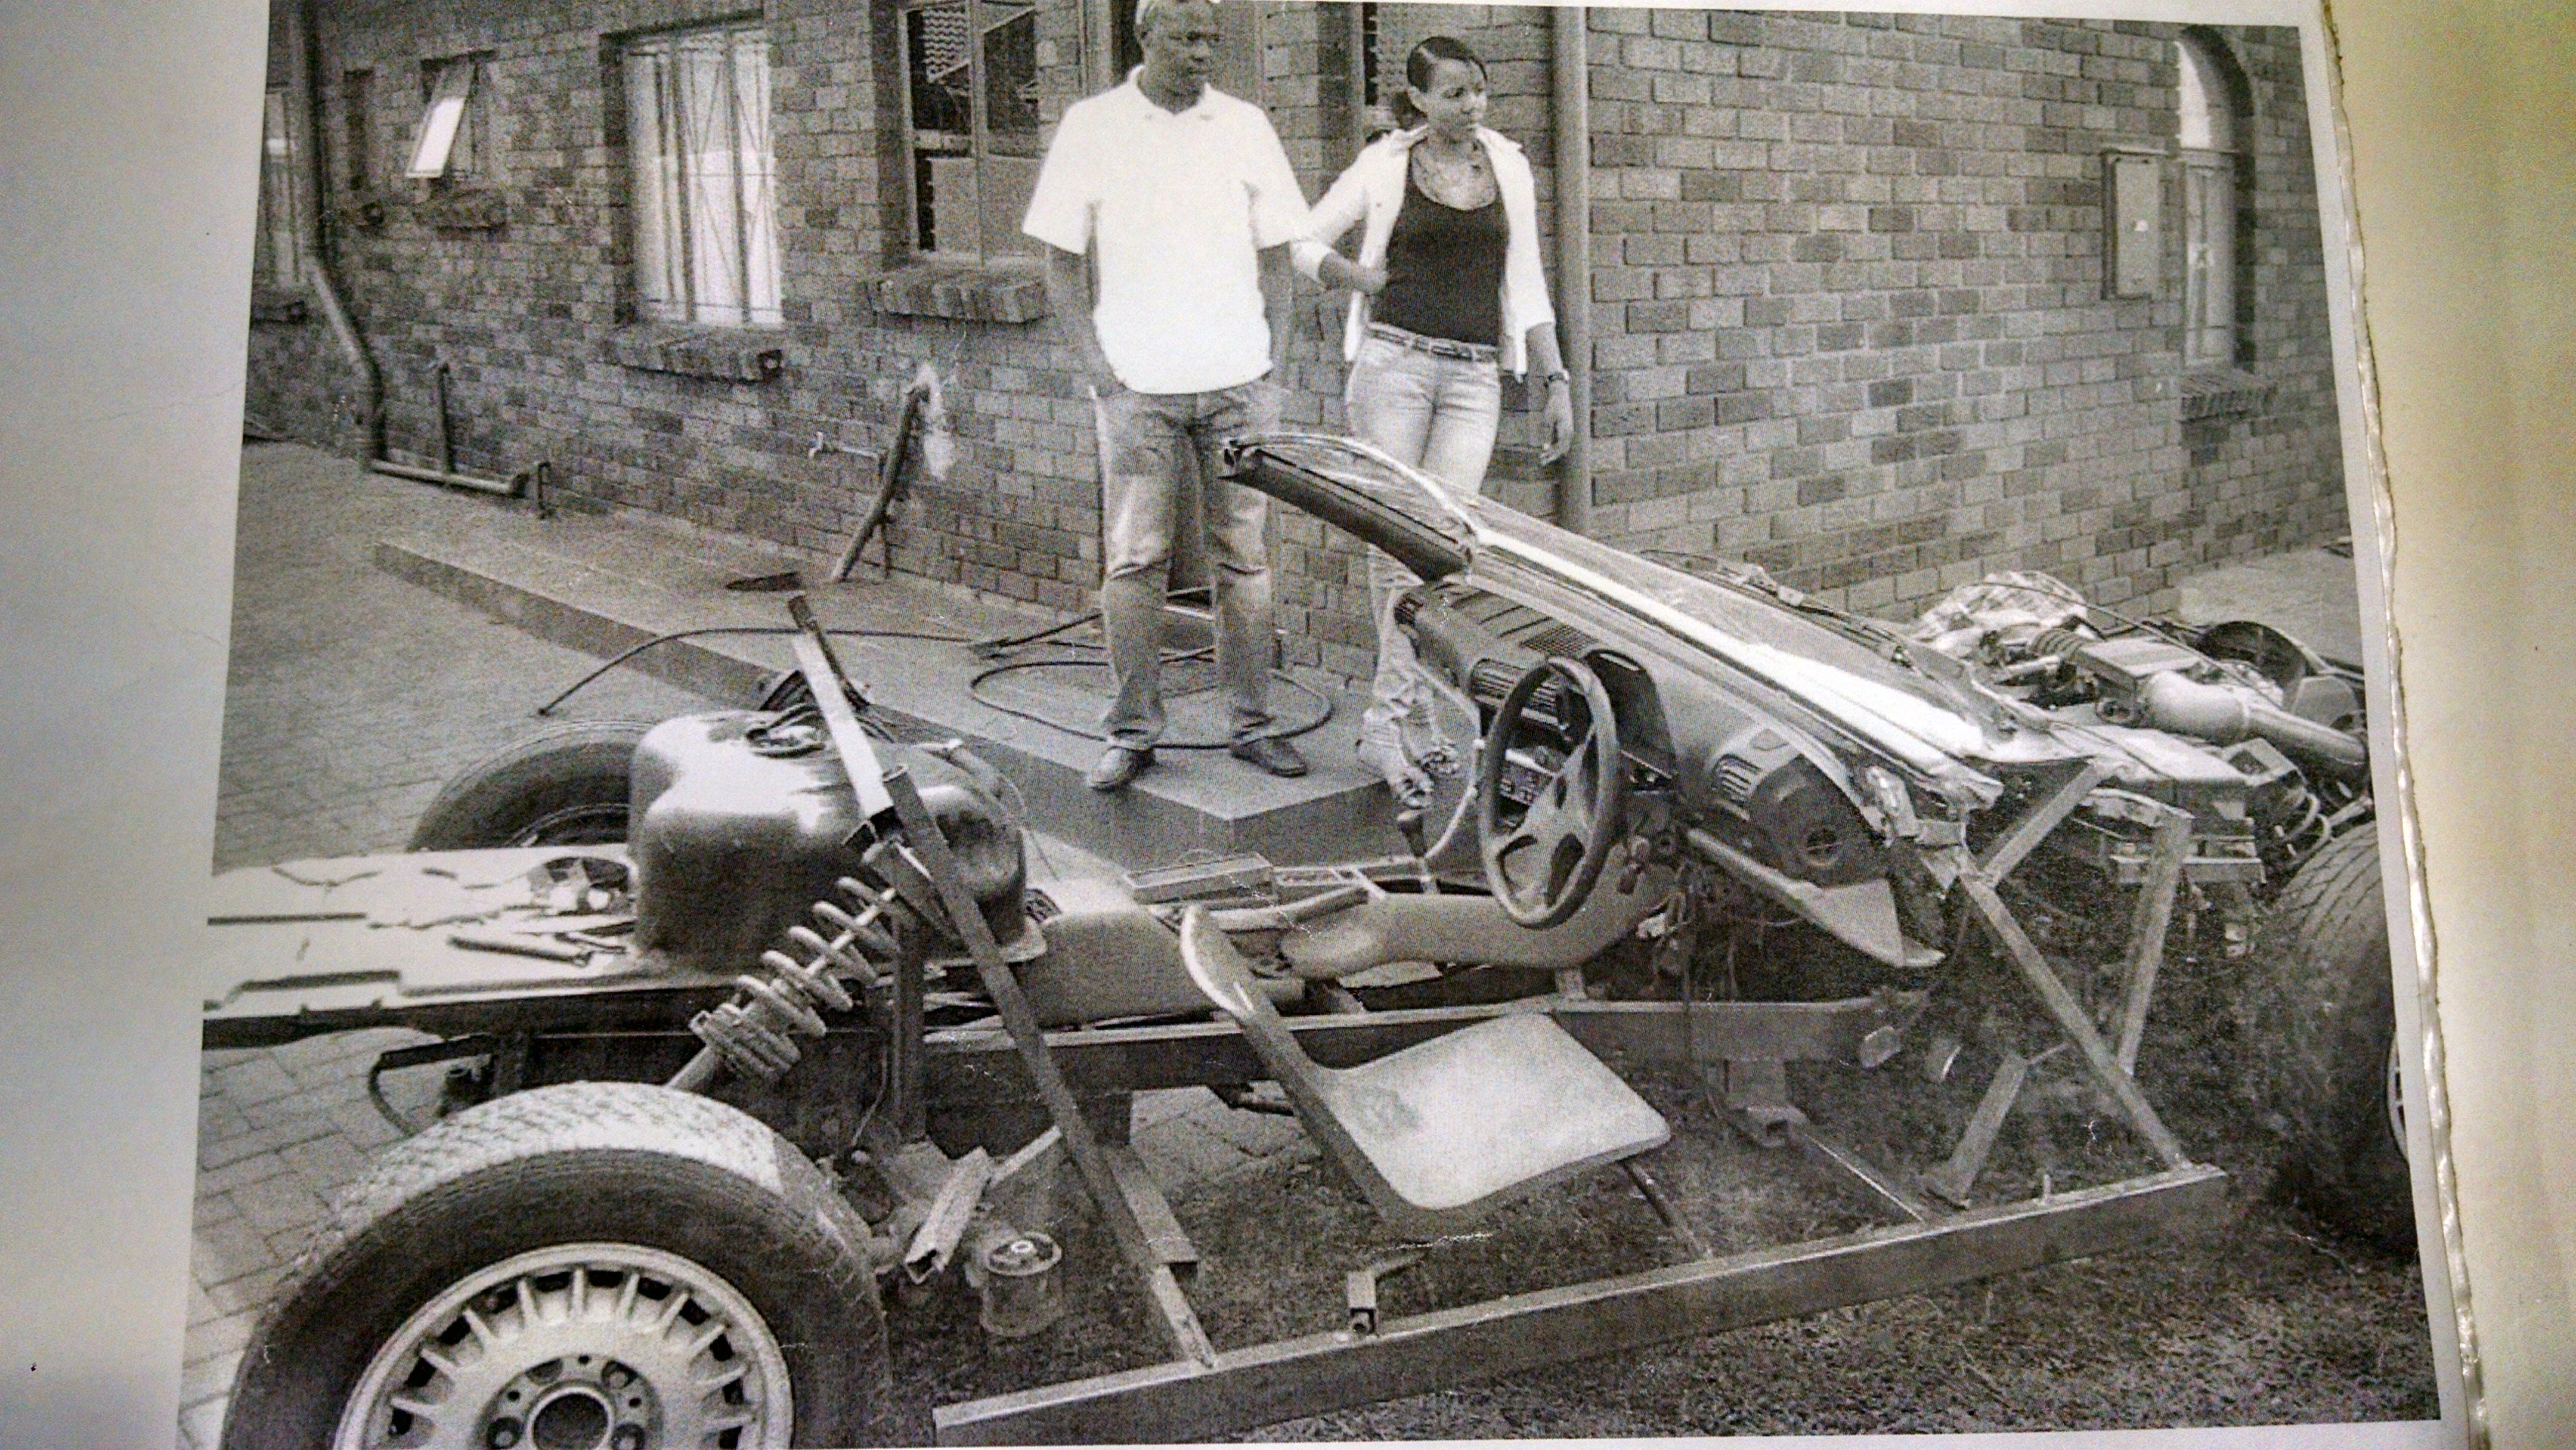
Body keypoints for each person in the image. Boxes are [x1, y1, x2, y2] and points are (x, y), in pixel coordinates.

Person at [1022, 0, 1314, 792]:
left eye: (1211, 38)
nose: (1202, 51)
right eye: (1186, 37)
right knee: (1137, 558)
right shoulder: (1093, 126)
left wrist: (1273, 370)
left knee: (1244, 559)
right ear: (1144, 35)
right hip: (1138, 391)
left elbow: (1280, 258)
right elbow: (1059, 266)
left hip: (1237, 388)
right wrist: (1102, 378)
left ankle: (1252, 724)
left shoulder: (1246, 126)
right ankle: (1132, 732)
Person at [1297, 35, 1576, 809]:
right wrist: (1357, 277)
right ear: (1418, 99)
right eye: (1454, 93)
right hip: (1394, 368)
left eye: (1478, 90)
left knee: (1442, 554)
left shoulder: (1507, 166)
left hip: (1473, 377)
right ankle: (1393, 724)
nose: (1471, 105)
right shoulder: (1386, 165)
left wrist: (1555, 380)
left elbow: (1527, 280)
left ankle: (1404, 720)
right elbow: (1301, 241)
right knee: (1398, 550)